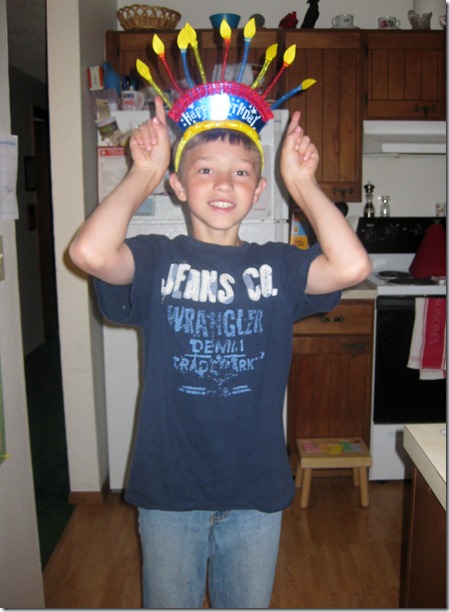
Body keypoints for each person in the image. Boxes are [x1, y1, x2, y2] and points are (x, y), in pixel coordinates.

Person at [69, 95, 372, 608]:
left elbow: (352, 267)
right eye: (205, 170)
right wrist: (143, 173)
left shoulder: (279, 266)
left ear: (259, 189)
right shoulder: (156, 259)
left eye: (241, 172)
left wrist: (302, 183)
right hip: (170, 489)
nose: (224, 183)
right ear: (178, 186)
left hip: (255, 489)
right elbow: (89, 252)